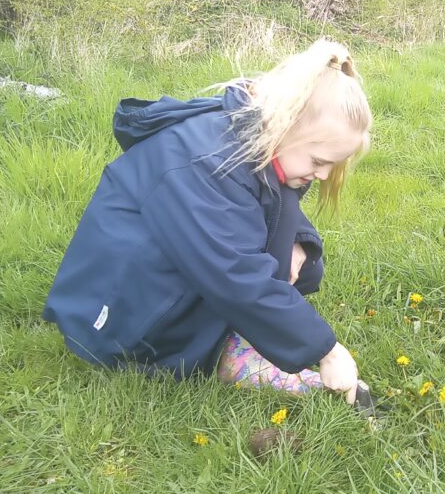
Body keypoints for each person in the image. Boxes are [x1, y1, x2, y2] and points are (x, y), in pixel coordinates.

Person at [43, 39, 372, 404]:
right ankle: (212, 352)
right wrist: (327, 351)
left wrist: (300, 241)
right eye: (317, 161)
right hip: (117, 319)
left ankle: (229, 337)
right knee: (250, 282)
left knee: (304, 264)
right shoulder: (203, 162)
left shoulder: (258, 138)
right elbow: (236, 275)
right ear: (286, 125)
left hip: (164, 277)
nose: (324, 175)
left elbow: (262, 201)